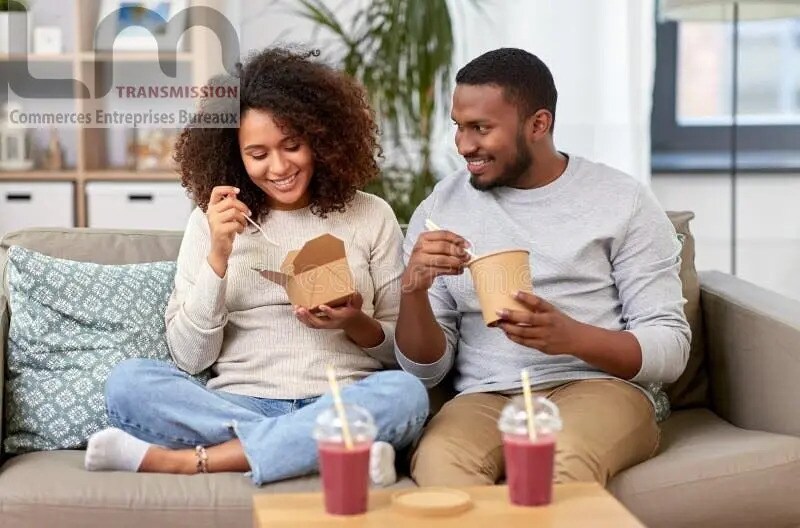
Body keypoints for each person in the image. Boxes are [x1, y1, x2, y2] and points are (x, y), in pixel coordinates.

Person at [84, 47, 428, 486]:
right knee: (128, 384)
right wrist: (219, 256)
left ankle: (193, 462)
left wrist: (355, 321)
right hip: (240, 403)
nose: (280, 167)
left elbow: (401, 355)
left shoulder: (371, 216)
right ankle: (335, 447)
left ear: (320, 138)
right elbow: (190, 359)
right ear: (234, 154)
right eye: (258, 153)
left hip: (344, 396)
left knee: (405, 395)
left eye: (292, 145)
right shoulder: (209, 222)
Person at [395, 48, 690, 486]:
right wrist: (413, 291)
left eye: (481, 128)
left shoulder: (620, 200)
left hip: (598, 389)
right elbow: (426, 371)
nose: (464, 145)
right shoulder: (441, 207)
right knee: (440, 461)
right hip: (486, 397)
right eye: (459, 126)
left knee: (559, 460)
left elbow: (671, 348)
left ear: (538, 124)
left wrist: (571, 337)